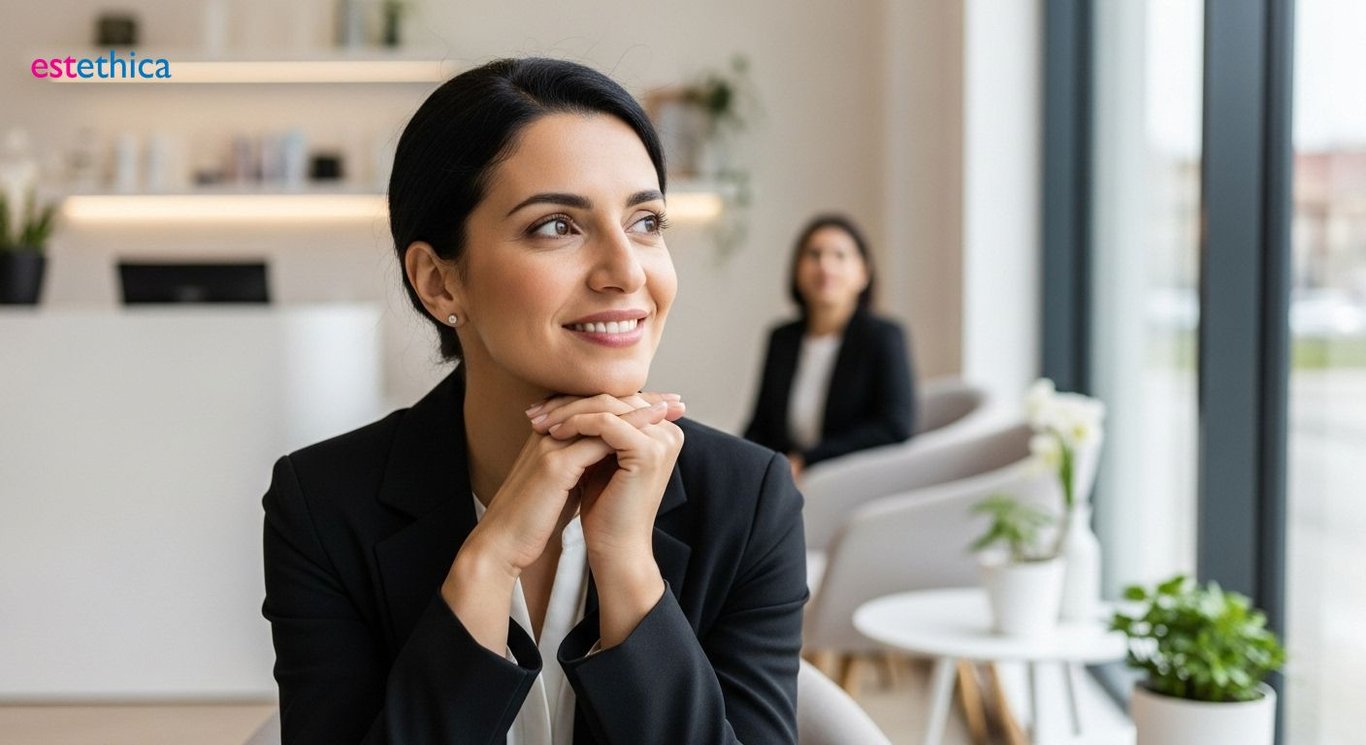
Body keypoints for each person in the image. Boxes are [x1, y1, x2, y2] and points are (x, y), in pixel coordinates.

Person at [260, 58, 807, 744]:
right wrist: (486, 565)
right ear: (439, 283)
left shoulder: (747, 499)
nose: (627, 271)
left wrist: (630, 571)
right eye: (557, 226)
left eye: (645, 221)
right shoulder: (322, 504)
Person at [743, 215, 916, 479]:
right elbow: (759, 426)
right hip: (784, 476)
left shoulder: (883, 337)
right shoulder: (781, 338)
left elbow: (895, 427)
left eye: (840, 256)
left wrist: (806, 460)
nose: (825, 265)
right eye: (814, 254)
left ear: (864, 273)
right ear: (797, 269)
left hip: (849, 479)